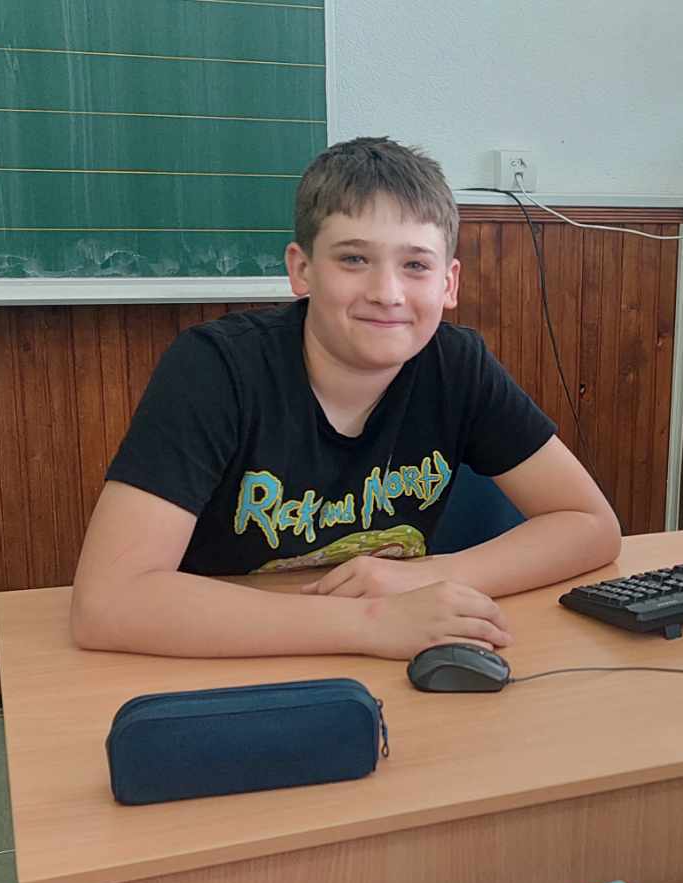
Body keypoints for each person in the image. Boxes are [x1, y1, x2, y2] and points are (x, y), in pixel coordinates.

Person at [70, 137, 622, 660]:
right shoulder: (215, 369)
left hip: (393, 661)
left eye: (416, 265)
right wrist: (373, 622)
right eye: (354, 259)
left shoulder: (458, 366)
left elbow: (589, 523)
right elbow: (108, 602)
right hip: (223, 660)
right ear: (301, 269)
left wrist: (429, 577)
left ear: (449, 283)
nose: (387, 293)